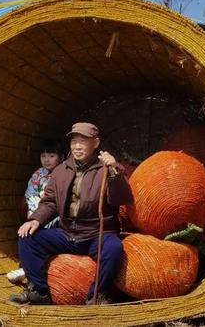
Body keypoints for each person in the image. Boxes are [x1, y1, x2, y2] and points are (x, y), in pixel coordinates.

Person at [9, 122, 131, 306]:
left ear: (96, 143)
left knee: (113, 248)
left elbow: (120, 198)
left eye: (83, 141)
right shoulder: (60, 171)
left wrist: (114, 171)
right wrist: (35, 219)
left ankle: (97, 295)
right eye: (74, 141)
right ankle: (39, 292)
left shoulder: (107, 169)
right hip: (67, 234)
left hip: (96, 234)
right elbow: (50, 201)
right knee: (27, 237)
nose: (77, 146)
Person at [7, 139, 65, 284]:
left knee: (40, 238)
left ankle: (27, 270)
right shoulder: (38, 174)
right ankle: (25, 267)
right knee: (26, 233)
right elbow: (29, 195)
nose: (47, 160)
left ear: (62, 157)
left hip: (55, 215)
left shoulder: (64, 173)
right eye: (43, 156)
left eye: (51, 156)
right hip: (35, 212)